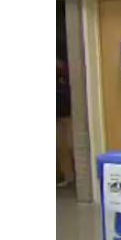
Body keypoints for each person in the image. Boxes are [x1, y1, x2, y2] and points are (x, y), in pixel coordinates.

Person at [56, 59, 74, 188]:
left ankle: (71, 176)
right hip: (60, 115)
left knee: (69, 146)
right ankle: (68, 176)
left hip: (68, 115)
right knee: (61, 147)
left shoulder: (66, 76)